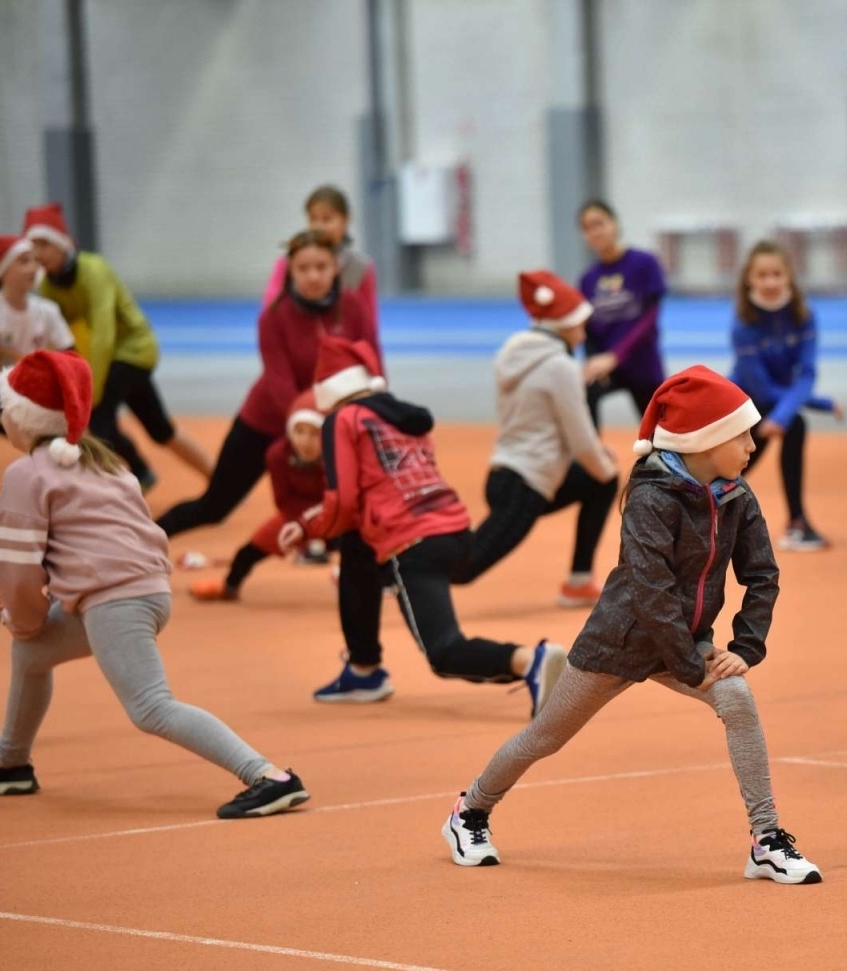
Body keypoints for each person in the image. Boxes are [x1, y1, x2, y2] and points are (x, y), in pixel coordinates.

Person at [444, 366, 821, 884]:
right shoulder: (650, 497)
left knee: (738, 699)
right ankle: (470, 811)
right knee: (545, 737)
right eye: (743, 435)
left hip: (685, 643)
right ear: (707, 440)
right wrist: (692, 665)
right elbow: (652, 592)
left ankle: (766, 839)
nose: (754, 446)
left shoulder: (736, 496)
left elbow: (762, 575)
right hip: (618, 643)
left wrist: (745, 648)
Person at [0, 350, 308, 817]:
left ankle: (268, 775)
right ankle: (10, 763)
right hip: (146, 590)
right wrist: (34, 627)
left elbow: (17, 571)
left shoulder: (25, 474)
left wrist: (24, 617)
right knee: (32, 655)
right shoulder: (104, 461)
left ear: (19, 418)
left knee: (151, 707)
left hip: (114, 600)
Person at [280, 338, 567, 714]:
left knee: (444, 652)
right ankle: (363, 669)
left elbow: (344, 499)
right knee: (357, 548)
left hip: (413, 541)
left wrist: (312, 530)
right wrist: (307, 524)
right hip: (456, 531)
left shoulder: (342, 420)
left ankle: (528, 660)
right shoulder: (401, 416)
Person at [156, 229, 377, 538]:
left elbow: (371, 363)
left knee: (363, 504)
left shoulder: (353, 308)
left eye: (321, 267)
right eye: (303, 268)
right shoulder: (274, 317)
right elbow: (279, 385)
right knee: (214, 506)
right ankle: (145, 540)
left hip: (333, 426)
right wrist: (312, 429)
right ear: (290, 271)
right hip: (265, 424)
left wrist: (373, 412)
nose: (313, 276)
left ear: (335, 268)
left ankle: (377, 581)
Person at [22, 203, 214, 491]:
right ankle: (215, 477)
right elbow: (58, 338)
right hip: (106, 361)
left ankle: (127, 481)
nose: (38, 253)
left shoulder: (94, 270)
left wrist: (90, 391)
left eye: (44, 243)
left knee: (98, 424)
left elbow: (103, 335)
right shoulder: (49, 287)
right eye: (32, 245)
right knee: (160, 430)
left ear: (63, 243)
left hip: (133, 351)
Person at [472, 271, 619, 608]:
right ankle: (390, 571)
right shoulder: (560, 366)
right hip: (527, 486)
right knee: (462, 567)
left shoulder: (513, 354)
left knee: (598, 482)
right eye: (579, 326)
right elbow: (581, 441)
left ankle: (579, 582)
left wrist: (598, 459)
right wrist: (605, 466)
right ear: (563, 326)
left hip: (507, 476)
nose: (583, 335)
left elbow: (550, 428)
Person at [729, 240, 836, 551]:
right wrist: (819, 404)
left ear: (789, 276)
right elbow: (758, 387)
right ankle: (700, 511)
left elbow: (807, 374)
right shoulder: (742, 324)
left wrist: (783, 415)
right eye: (762, 275)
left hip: (778, 407)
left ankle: (797, 523)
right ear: (750, 280)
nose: (770, 282)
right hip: (744, 403)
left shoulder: (804, 316)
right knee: (733, 469)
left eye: (777, 274)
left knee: (795, 425)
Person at [188, 390, 329, 602]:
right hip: (294, 517)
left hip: (335, 517)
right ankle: (229, 587)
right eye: (299, 432)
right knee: (247, 553)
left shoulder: (335, 458)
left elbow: (339, 499)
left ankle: (389, 583)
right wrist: (302, 528)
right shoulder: (277, 455)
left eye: (314, 434)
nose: (306, 441)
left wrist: (317, 530)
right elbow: (283, 501)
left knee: (367, 547)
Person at [0, 234, 75, 456]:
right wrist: (16, 413)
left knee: (54, 457)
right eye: (23, 261)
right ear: (2, 271)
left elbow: (71, 359)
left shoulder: (47, 311)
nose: (33, 267)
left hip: (24, 408)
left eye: (34, 260)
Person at [577, 200, 667, 422]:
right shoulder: (588, 280)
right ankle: (588, 455)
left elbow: (650, 318)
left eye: (599, 223)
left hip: (642, 364)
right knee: (582, 393)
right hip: (608, 368)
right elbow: (587, 331)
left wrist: (616, 356)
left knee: (659, 437)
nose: (594, 232)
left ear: (614, 224)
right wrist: (592, 362)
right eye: (587, 227)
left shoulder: (644, 263)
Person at [261, 184, 378, 338]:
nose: (319, 226)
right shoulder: (288, 262)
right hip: (298, 341)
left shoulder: (361, 267)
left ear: (346, 220)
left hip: (343, 346)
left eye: (327, 219)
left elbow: (369, 322)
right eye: (313, 219)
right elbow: (271, 307)